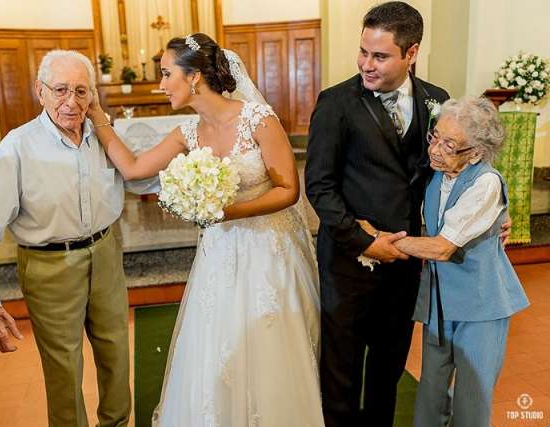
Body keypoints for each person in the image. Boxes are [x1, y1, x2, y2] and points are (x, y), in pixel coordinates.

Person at [87, 33, 324, 426]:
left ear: (194, 76)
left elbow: (288, 190)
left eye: (166, 74)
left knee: (268, 347)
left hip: (267, 252)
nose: (160, 85)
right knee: (217, 344)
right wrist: (96, 116)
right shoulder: (187, 133)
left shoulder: (257, 119)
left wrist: (229, 212)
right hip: (218, 258)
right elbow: (132, 169)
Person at [0, 50, 158, 427]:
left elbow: (141, 178)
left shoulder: (103, 135)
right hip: (48, 265)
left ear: (93, 96)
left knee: (116, 351)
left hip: (106, 253)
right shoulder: (16, 148)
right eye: (61, 89)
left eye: (82, 91)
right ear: (40, 91)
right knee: (64, 367)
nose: (71, 101)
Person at [305, 2, 450, 426]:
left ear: (412, 52)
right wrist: (366, 241)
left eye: (380, 55)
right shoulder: (336, 103)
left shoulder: (436, 101)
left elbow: (450, 174)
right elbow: (320, 187)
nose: (366, 64)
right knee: (342, 372)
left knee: (389, 369)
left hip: (406, 263)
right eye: (363, 52)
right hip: (348, 261)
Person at [379, 96, 528, 427]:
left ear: (475, 152)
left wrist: (378, 242)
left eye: (449, 145)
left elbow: (442, 247)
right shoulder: (437, 173)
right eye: (436, 137)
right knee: (430, 395)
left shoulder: (485, 182)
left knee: (471, 402)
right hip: (440, 301)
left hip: (480, 305)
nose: (435, 149)